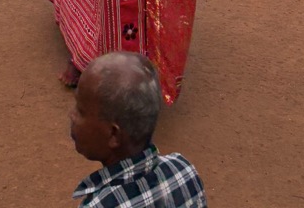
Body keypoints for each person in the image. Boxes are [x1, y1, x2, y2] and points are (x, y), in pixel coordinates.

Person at [70, 52, 207, 208]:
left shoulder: (97, 205)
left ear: (114, 135)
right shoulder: (183, 171)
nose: (72, 116)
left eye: (80, 111)